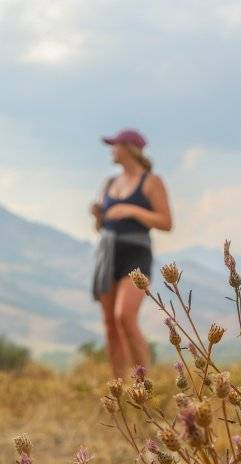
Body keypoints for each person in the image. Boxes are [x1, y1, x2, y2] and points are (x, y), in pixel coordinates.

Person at [90, 128, 172, 378]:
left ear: (129, 148)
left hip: (136, 255)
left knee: (124, 316)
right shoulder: (109, 183)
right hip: (108, 253)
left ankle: (144, 383)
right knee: (110, 325)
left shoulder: (151, 181)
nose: (111, 150)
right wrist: (97, 216)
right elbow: (101, 226)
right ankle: (119, 388)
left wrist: (131, 210)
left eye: (115, 145)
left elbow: (166, 222)